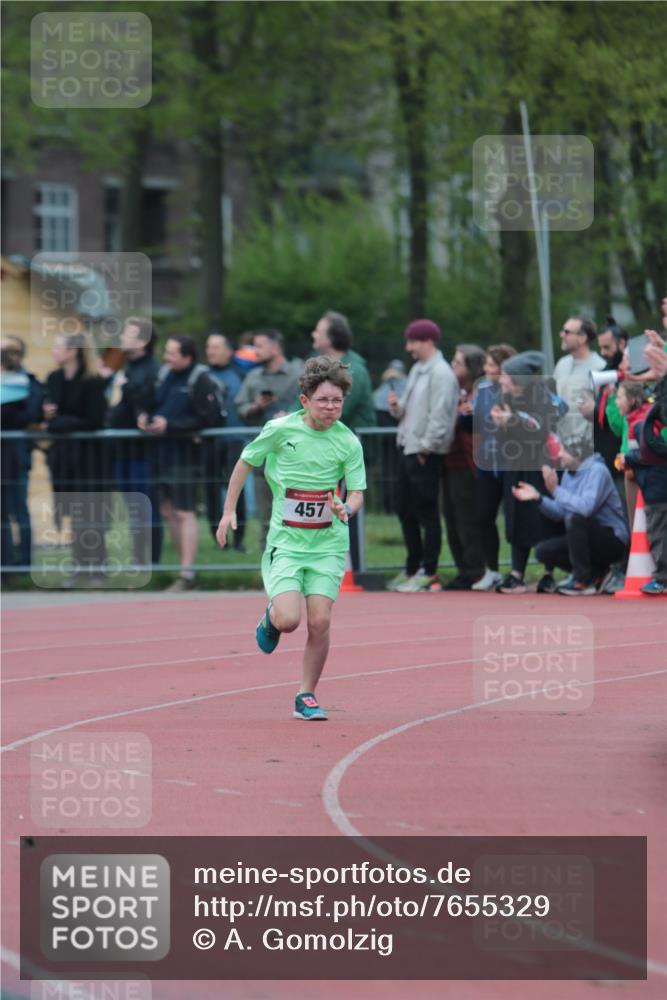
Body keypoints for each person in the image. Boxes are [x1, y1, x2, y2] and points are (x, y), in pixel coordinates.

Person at [216, 356, 366, 721]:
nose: (330, 407)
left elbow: (357, 492)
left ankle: (306, 695)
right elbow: (246, 461)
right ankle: (270, 619)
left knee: (320, 622)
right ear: (305, 401)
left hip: (328, 545)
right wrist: (229, 510)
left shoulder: (348, 441)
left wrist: (346, 508)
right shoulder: (280, 430)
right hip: (286, 543)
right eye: (323, 400)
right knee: (288, 620)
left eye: (337, 401)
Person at [138, 335, 223, 592]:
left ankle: (187, 571)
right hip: (161, 453)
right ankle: (182, 569)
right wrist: (143, 416)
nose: (167, 357)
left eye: (172, 353)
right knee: (168, 511)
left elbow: (208, 418)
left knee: (185, 511)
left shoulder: (200, 379)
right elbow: (149, 401)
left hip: (186, 455)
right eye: (167, 352)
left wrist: (171, 426)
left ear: (187, 356)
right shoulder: (164, 375)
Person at [387, 319, 458, 593]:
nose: (409, 348)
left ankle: (429, 571)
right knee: (405, 510)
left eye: (413, 341)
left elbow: (441, 416)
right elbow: (408, 410)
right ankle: (412, 567)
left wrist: (427, 447)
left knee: (426, 512)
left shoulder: (442, 373)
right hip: (407, 446)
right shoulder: (418, 369)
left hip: (424, 452)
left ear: (427, 341)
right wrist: (396, 408)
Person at [512, 437, 629, 595]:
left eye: (562, 450)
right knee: (542, 551)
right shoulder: (568, 474)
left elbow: (585, 508)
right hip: (587, 536)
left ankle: (581, 580)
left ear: (578, 453)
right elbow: (561, 513)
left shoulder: (597, 471)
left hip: (613, 541)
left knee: (575, 518)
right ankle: (597, 574)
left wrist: (555, 490)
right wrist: (538, 498)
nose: (558, 454)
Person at [490, 350, 560, 594]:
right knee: (516, 517)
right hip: (515, 465)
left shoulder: (541, 397)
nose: (501, 379)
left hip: (539, 464)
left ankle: (549, 573)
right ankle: (517, 573)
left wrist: (512, 421)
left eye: (505, 375)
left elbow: (540, 432)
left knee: (542, 517)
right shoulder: (503, 398)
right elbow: (502, 437)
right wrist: (501, 425)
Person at [42, 332, 108, 586]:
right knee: (71, 512)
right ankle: (79, 567)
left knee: (91, 513)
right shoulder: (54, 379)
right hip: (63, 457)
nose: (54, 351)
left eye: (58, 347)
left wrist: (61, 422)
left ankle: (97, 568)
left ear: (73, 351)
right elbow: (48, 415)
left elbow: (94, 420)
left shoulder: (92, 381)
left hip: (89, 458)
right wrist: (49, 416)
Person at [235, 329, 304, 553]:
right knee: (267, 520)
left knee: (297, 517)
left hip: (296, 456)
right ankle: (268, 567)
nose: (255, 351)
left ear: (275, 347)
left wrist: (290, 415)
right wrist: (256, 407)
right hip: (264, 457)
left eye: (260, 346)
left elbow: (312, 404)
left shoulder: (298, 373)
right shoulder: (253, 377)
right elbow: (240, 407)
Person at [107, 317, 163, 567]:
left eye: (127, 334)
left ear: (142, 341)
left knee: (146, 505)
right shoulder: (126, 367)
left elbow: (145, 402)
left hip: (144, 452)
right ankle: (138, 558)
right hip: (122, 450)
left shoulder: (153, 370)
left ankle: (151, 561)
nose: (121, 337)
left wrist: (125, 386)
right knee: (131, 507)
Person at [471, 343, 516, 591]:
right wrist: (467, 414)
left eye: (491, 365)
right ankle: (492, 570)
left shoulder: (516, 389)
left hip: (511, 461)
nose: (486, 369)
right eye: (486, 364)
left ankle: (518, 570)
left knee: (514, 517)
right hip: (487, 462)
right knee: (483, 515)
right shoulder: (482, 389)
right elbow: (478, 424)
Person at [441, 344, 487, 589]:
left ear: (471, 368)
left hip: (468, 465)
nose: (452, 366)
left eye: (458, 363)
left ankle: (475, 571)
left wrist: (468, 415)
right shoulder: (454, 391)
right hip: (448, 461)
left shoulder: (480, 393)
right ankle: (463, 569)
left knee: (467, 520)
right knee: (451, 519)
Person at [0, 336, 42, 570]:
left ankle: (24, 563)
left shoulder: (26, 381)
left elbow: (31, 415)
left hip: (16, 453)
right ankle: (6, 562)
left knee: (18, 508)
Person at [205, 332, 246, 551]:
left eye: (216, 347)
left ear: (229, 351)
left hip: (235, 440)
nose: (210, 351)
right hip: (210, 441)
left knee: (235, 489)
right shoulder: (202, 375)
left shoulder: (240, 374)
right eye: (208, 347)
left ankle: (239, 540)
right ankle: (218, 540)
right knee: (211, 490)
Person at [311, 311, 377, 429]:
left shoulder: (355, 371)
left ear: (330, 338)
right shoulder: (318, 365)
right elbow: (302, 398)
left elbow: (336, 412)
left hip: (351, 438)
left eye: (317, 331)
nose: (313, 334)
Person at [554, 315, 606, 453]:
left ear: (582, 338)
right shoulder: (561, 364)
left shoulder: (600, 367)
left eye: (567, 332)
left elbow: (604, 411)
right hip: (562, 449)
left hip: (589, 450)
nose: (561, 335)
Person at [373, 358, 407, 515]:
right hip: (394, 442)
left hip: (396, 441)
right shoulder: (383, 392)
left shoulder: (381, 392)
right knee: (391, 473)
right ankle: (390, 507)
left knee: (393, 472)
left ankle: (394, 506)